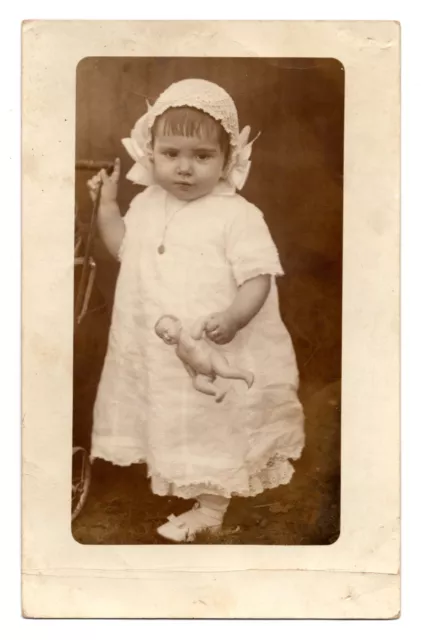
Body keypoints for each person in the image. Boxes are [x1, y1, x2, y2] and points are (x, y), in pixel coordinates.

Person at [87, 78, 305, 542]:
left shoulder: (237, 215)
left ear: (228, 160)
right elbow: (123, 247)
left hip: (213, 340)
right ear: (151, 152)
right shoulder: (147, 203)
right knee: (167, 409)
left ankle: (210, 506)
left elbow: (258, 276)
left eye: (202, 157)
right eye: (171, 154)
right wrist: (106, 205)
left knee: (211, 418)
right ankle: (176, 472)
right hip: (155, 345)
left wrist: (233, 318)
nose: (185, 169)